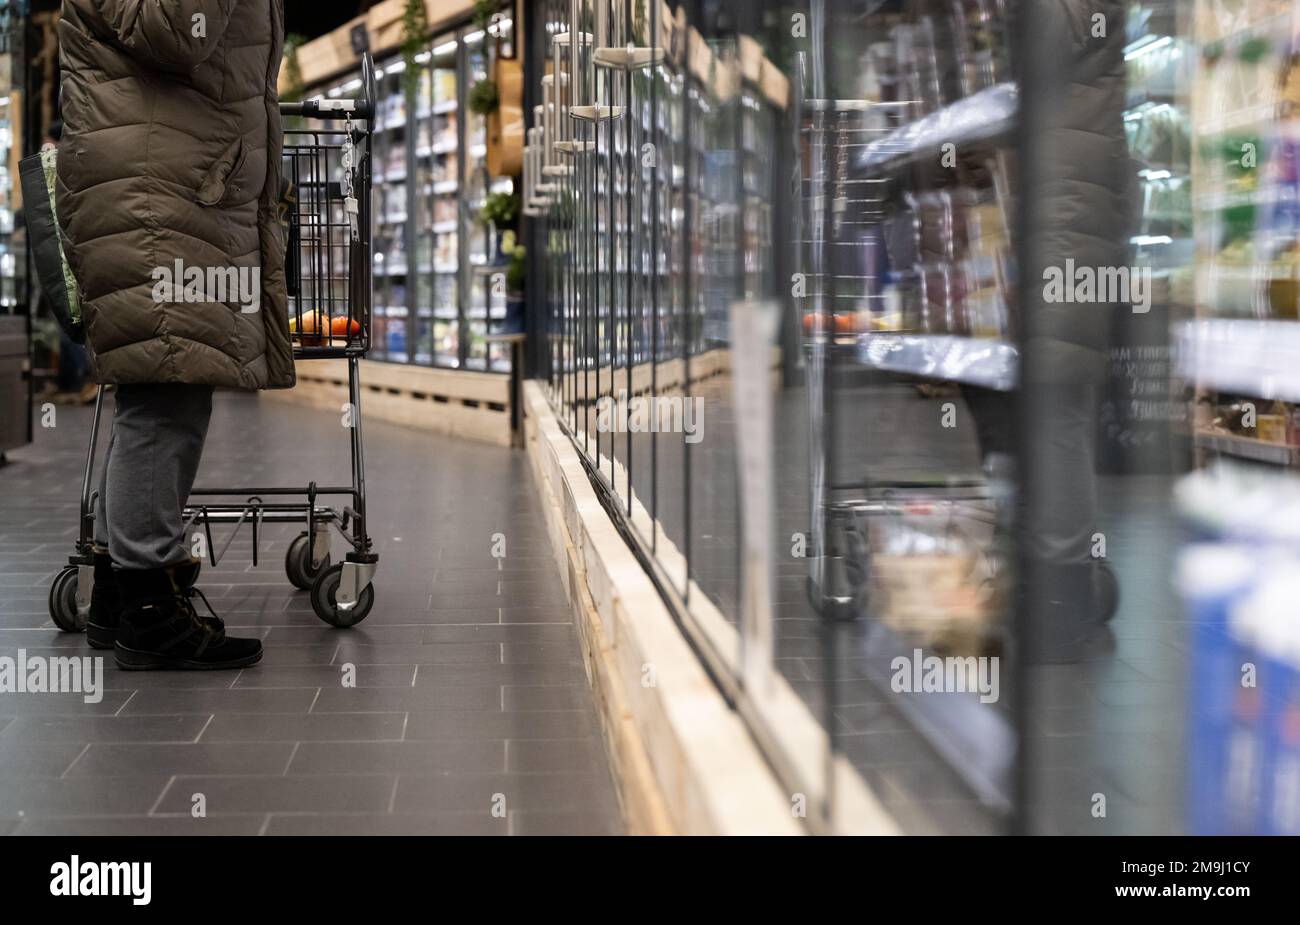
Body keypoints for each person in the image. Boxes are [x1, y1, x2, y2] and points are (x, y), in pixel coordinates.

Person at [56, 1, 294, 669]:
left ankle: (116, 591)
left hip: (168, 185)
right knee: (166, 391)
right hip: (153, 192)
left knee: (161, 390)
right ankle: (149, 605)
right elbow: (176, 30)